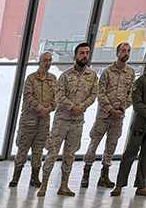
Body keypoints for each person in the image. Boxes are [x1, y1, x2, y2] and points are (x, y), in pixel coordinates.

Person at [39, 43, 98, 197]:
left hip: (77, 122)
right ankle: (44, 185)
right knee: (52, 152)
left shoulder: (92, 76)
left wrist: (82, 107)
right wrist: (71, 106)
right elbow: (59, 95)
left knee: (70, 154)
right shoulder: (65, 75)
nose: (85, 56)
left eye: (87, 53)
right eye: (82, 53)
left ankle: (64, 185)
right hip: (62, 120)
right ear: (75, 56)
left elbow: (93, 94)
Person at [82, 41, 136, 188]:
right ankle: (86, 173)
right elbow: (101, 93)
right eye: (123, 51)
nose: (126, 53)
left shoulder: (130, 73)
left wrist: (120, 110)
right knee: (94, 144)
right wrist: (110, 110)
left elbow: (131, 94)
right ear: (117, 53)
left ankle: (104, 175)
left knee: (111, 145)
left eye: (128, 51)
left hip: (118, 117)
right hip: (104, 116)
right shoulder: (107, 72)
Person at [11, 51, 56, 188]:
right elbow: (28, 97)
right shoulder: (31, 79)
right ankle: (16, 177)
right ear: (39, 62)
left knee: (38, 151)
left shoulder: (53, 79)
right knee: (22, 150)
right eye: (45, 60)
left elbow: (57, 98)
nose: (47, 63)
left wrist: (50, 108)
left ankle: (34, 178)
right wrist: (40, 109)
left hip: (43, 123)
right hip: (28, 122)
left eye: (49, 60)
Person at [111, 64, 146, 195]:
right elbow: (137, 104)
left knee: (145, 157)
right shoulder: (141, 81)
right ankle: (119, 184)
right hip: (139, 124)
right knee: (130, 154)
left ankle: (141, 185)